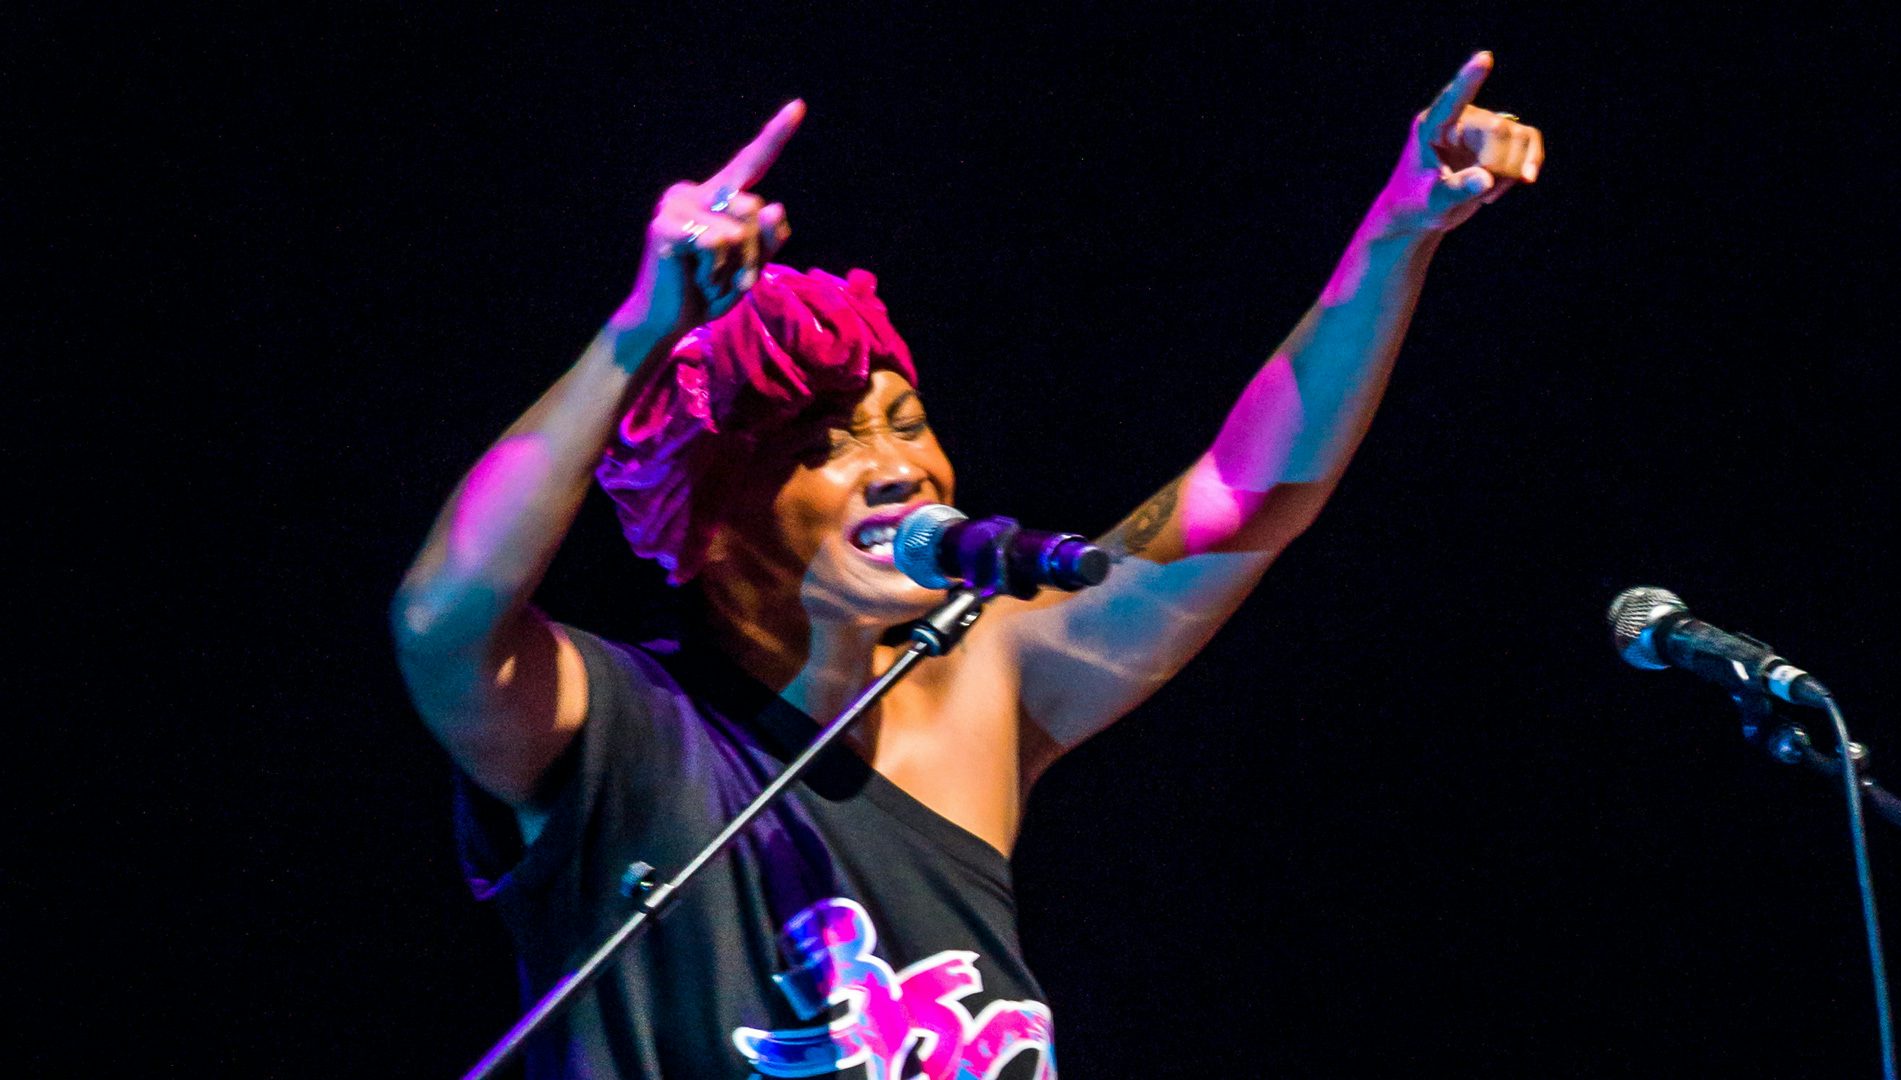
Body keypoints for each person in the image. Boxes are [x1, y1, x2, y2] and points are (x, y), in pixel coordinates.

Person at [393, 53, 1543, 1080]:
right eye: (824, 447)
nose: (898, 467)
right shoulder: (617, 731)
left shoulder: (985, 688)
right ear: (708, 519)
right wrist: (638, 333)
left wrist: (1398, 239)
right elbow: (446, 618)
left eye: (906, 420)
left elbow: (1238, 500)